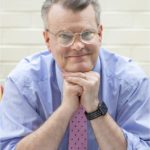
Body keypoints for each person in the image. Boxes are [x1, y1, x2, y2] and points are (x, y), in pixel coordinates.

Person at [0, 0, 150, 149]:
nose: (78, 45)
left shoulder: (132, 81)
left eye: (87, 34)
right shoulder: (23, 82)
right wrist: (65, 109)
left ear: (99, 34)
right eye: (64, 36)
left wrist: (95, 108)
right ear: (47, 40)